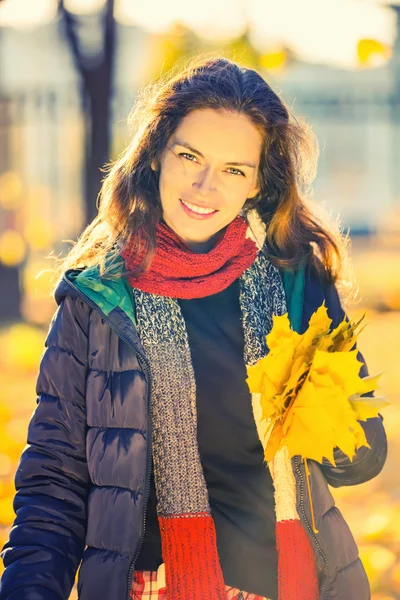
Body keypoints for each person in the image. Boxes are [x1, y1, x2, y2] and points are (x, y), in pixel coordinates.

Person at [0, 55, 387, 600]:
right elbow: (53, 487)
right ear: (157, 154)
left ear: (256, 184)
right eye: (190, 157)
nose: (206, 187)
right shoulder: (99, 301)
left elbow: (361, 461)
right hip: (152, 587)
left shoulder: (294, 284)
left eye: (234, 170)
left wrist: (323, 408)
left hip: (291, 583)